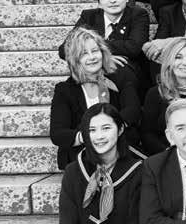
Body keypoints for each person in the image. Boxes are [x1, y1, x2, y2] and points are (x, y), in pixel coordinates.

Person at [51, 27, 141, 170]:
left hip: (118, 153)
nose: (92, 57)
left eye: (95, 51)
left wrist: (109, 133)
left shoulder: (121, 78)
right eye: (84, 54)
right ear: (75, 60)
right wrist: (92, 136)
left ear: (102, 52)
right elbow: (58, 134)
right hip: (81, 156)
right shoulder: (65, 89)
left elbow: (132, 111)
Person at [63, 0, 149, 89]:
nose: (112, 0)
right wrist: (102, 57)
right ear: (99, 1)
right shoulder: (89, 17)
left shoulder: (138, 15)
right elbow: (65, 49)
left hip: (128, 74)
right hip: (93, 71)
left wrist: (91, 47)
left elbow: (134, 47)